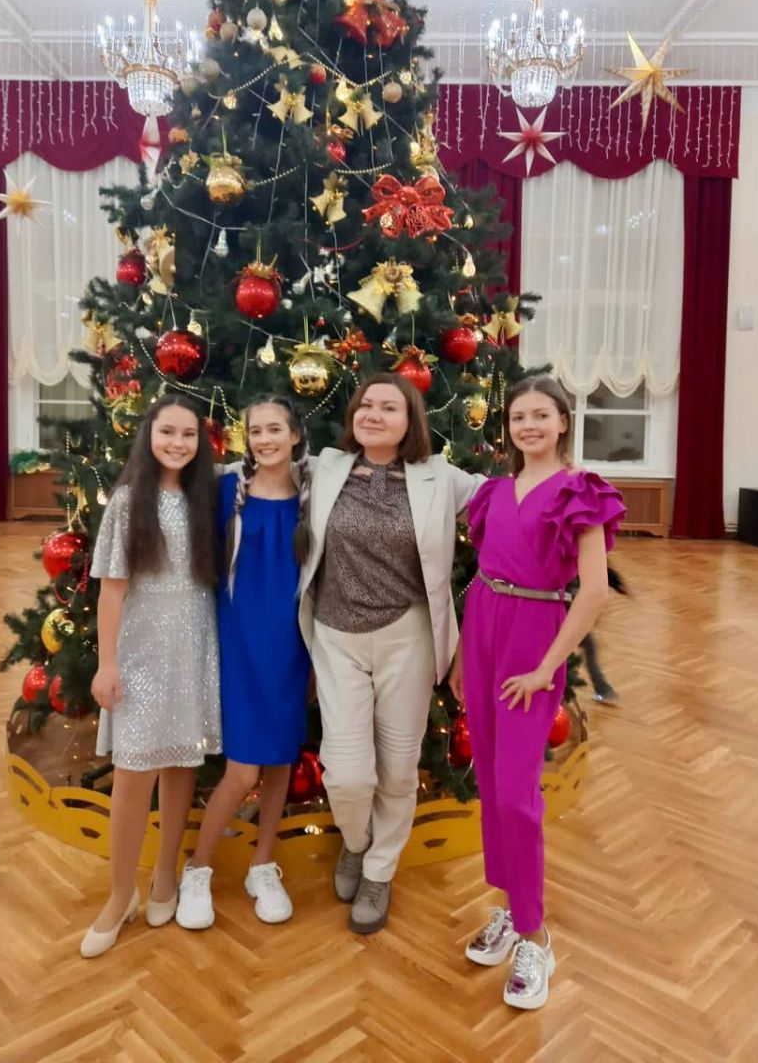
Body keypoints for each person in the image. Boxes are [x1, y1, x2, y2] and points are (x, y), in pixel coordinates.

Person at [449, 377, 625, 1010]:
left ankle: (535, 935)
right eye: (519, 416)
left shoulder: (581, 490)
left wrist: (548, 667)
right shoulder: (495, 491)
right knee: (491, 783)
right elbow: (481, 577)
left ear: (562, 422)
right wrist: (463, 654)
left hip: (534, 638)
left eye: (541, 415)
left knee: (517, 794)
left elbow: (594, 593)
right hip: (485, 627)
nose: (528, 425)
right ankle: (510, 906)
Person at [299, 373, 483, 935]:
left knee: (399, 770)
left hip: (409, 636)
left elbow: (505, 499)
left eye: (389, 408)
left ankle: (379, 871)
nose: (374, 415)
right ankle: (356, 843)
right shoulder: (324, 468)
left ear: (410, 422)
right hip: (336, 636)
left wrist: (572, 488)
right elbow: (258, 469)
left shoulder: (439, 477)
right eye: (366, 405)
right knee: (348, 775)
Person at [80, 395, 221, 958]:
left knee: (181, 764)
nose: (178, 443)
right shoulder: (127, 502)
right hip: (140, 655)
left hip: (193, 650)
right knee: (134, 772)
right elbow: (111, 590)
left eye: (189, 435)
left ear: (201, 443)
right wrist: (107, 662)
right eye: (168, 432)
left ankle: (166, 873)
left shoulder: (205, 499)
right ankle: (121, 894)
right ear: (149, 434)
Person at [177, 395, 313, 930]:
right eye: (256, 431)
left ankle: (262, 865)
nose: (265, 440)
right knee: (241, 771)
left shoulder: (312, 494)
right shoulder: (226, 490)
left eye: (275, 429)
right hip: (239, 643)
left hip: (291, 643)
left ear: (295, 435)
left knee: (280, 760)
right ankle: (197, 869)